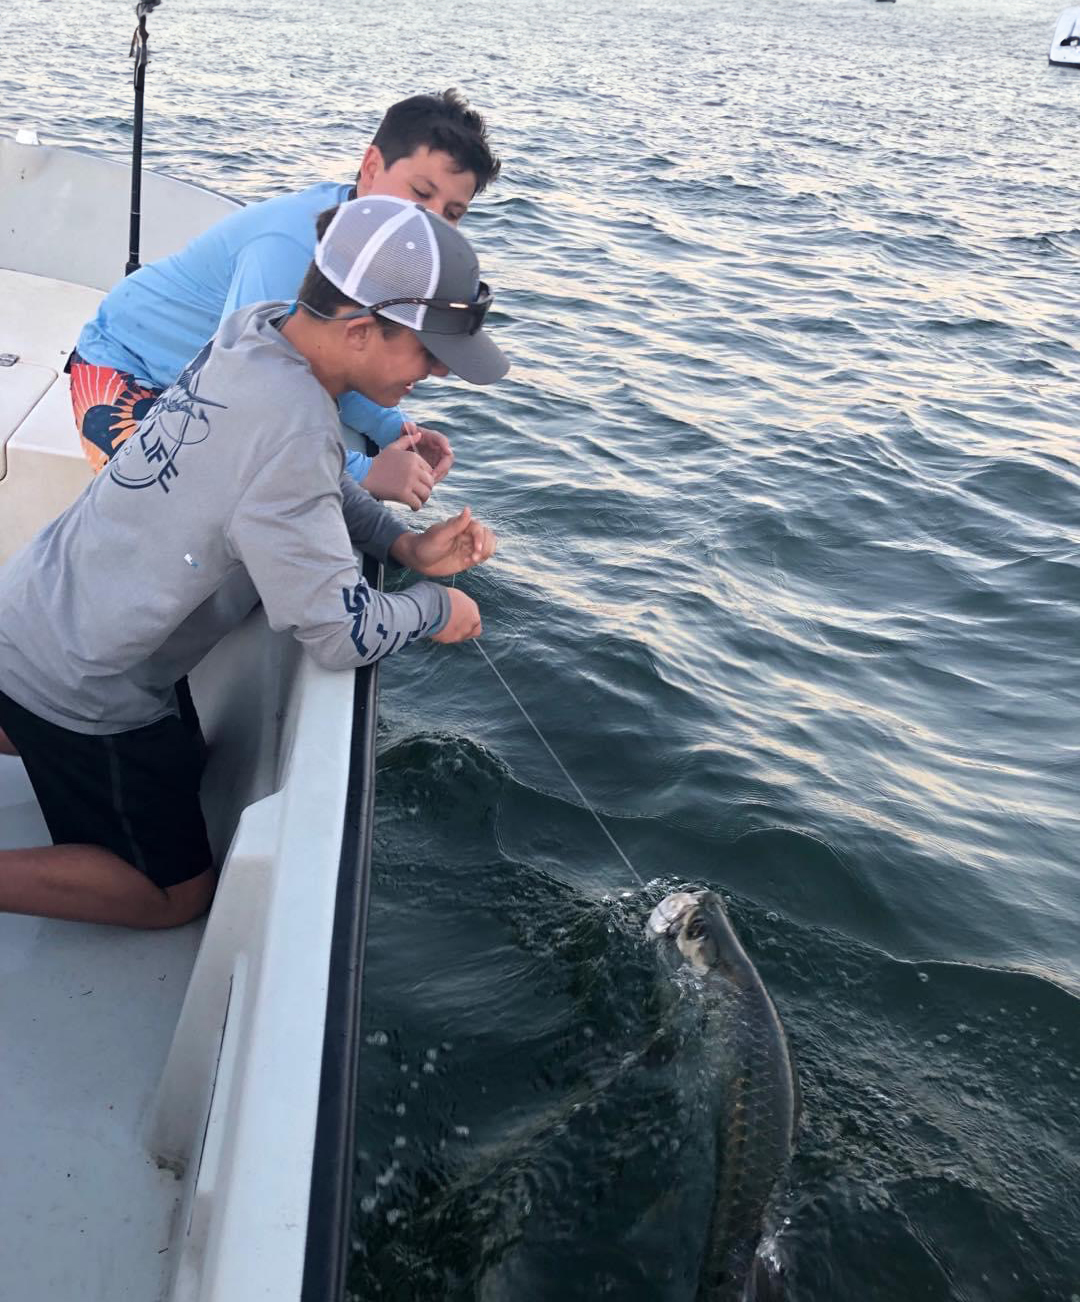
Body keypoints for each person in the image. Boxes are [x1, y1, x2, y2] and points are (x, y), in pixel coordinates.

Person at [0, 195, 508, 932]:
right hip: (85, 678)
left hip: (36, 601)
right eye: (430, 353)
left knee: (188, 761)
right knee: (176, 896)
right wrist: (436, 609)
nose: (439, 374)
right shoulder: (294, 431)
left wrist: (400, 545)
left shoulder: (259, 332)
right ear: (361, 331)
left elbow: (316, 472)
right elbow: (337, 632)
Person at [69, 88, 501, 509]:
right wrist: (364, 471)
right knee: (180, 509)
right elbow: (241, 395)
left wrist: (393, 428)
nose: (431, 223)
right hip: (125, 364)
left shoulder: (375, 247)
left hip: (213, 375)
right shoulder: (290, 250)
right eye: (421, 194)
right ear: (371, 168)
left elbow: (330, 360)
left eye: (452, 214)